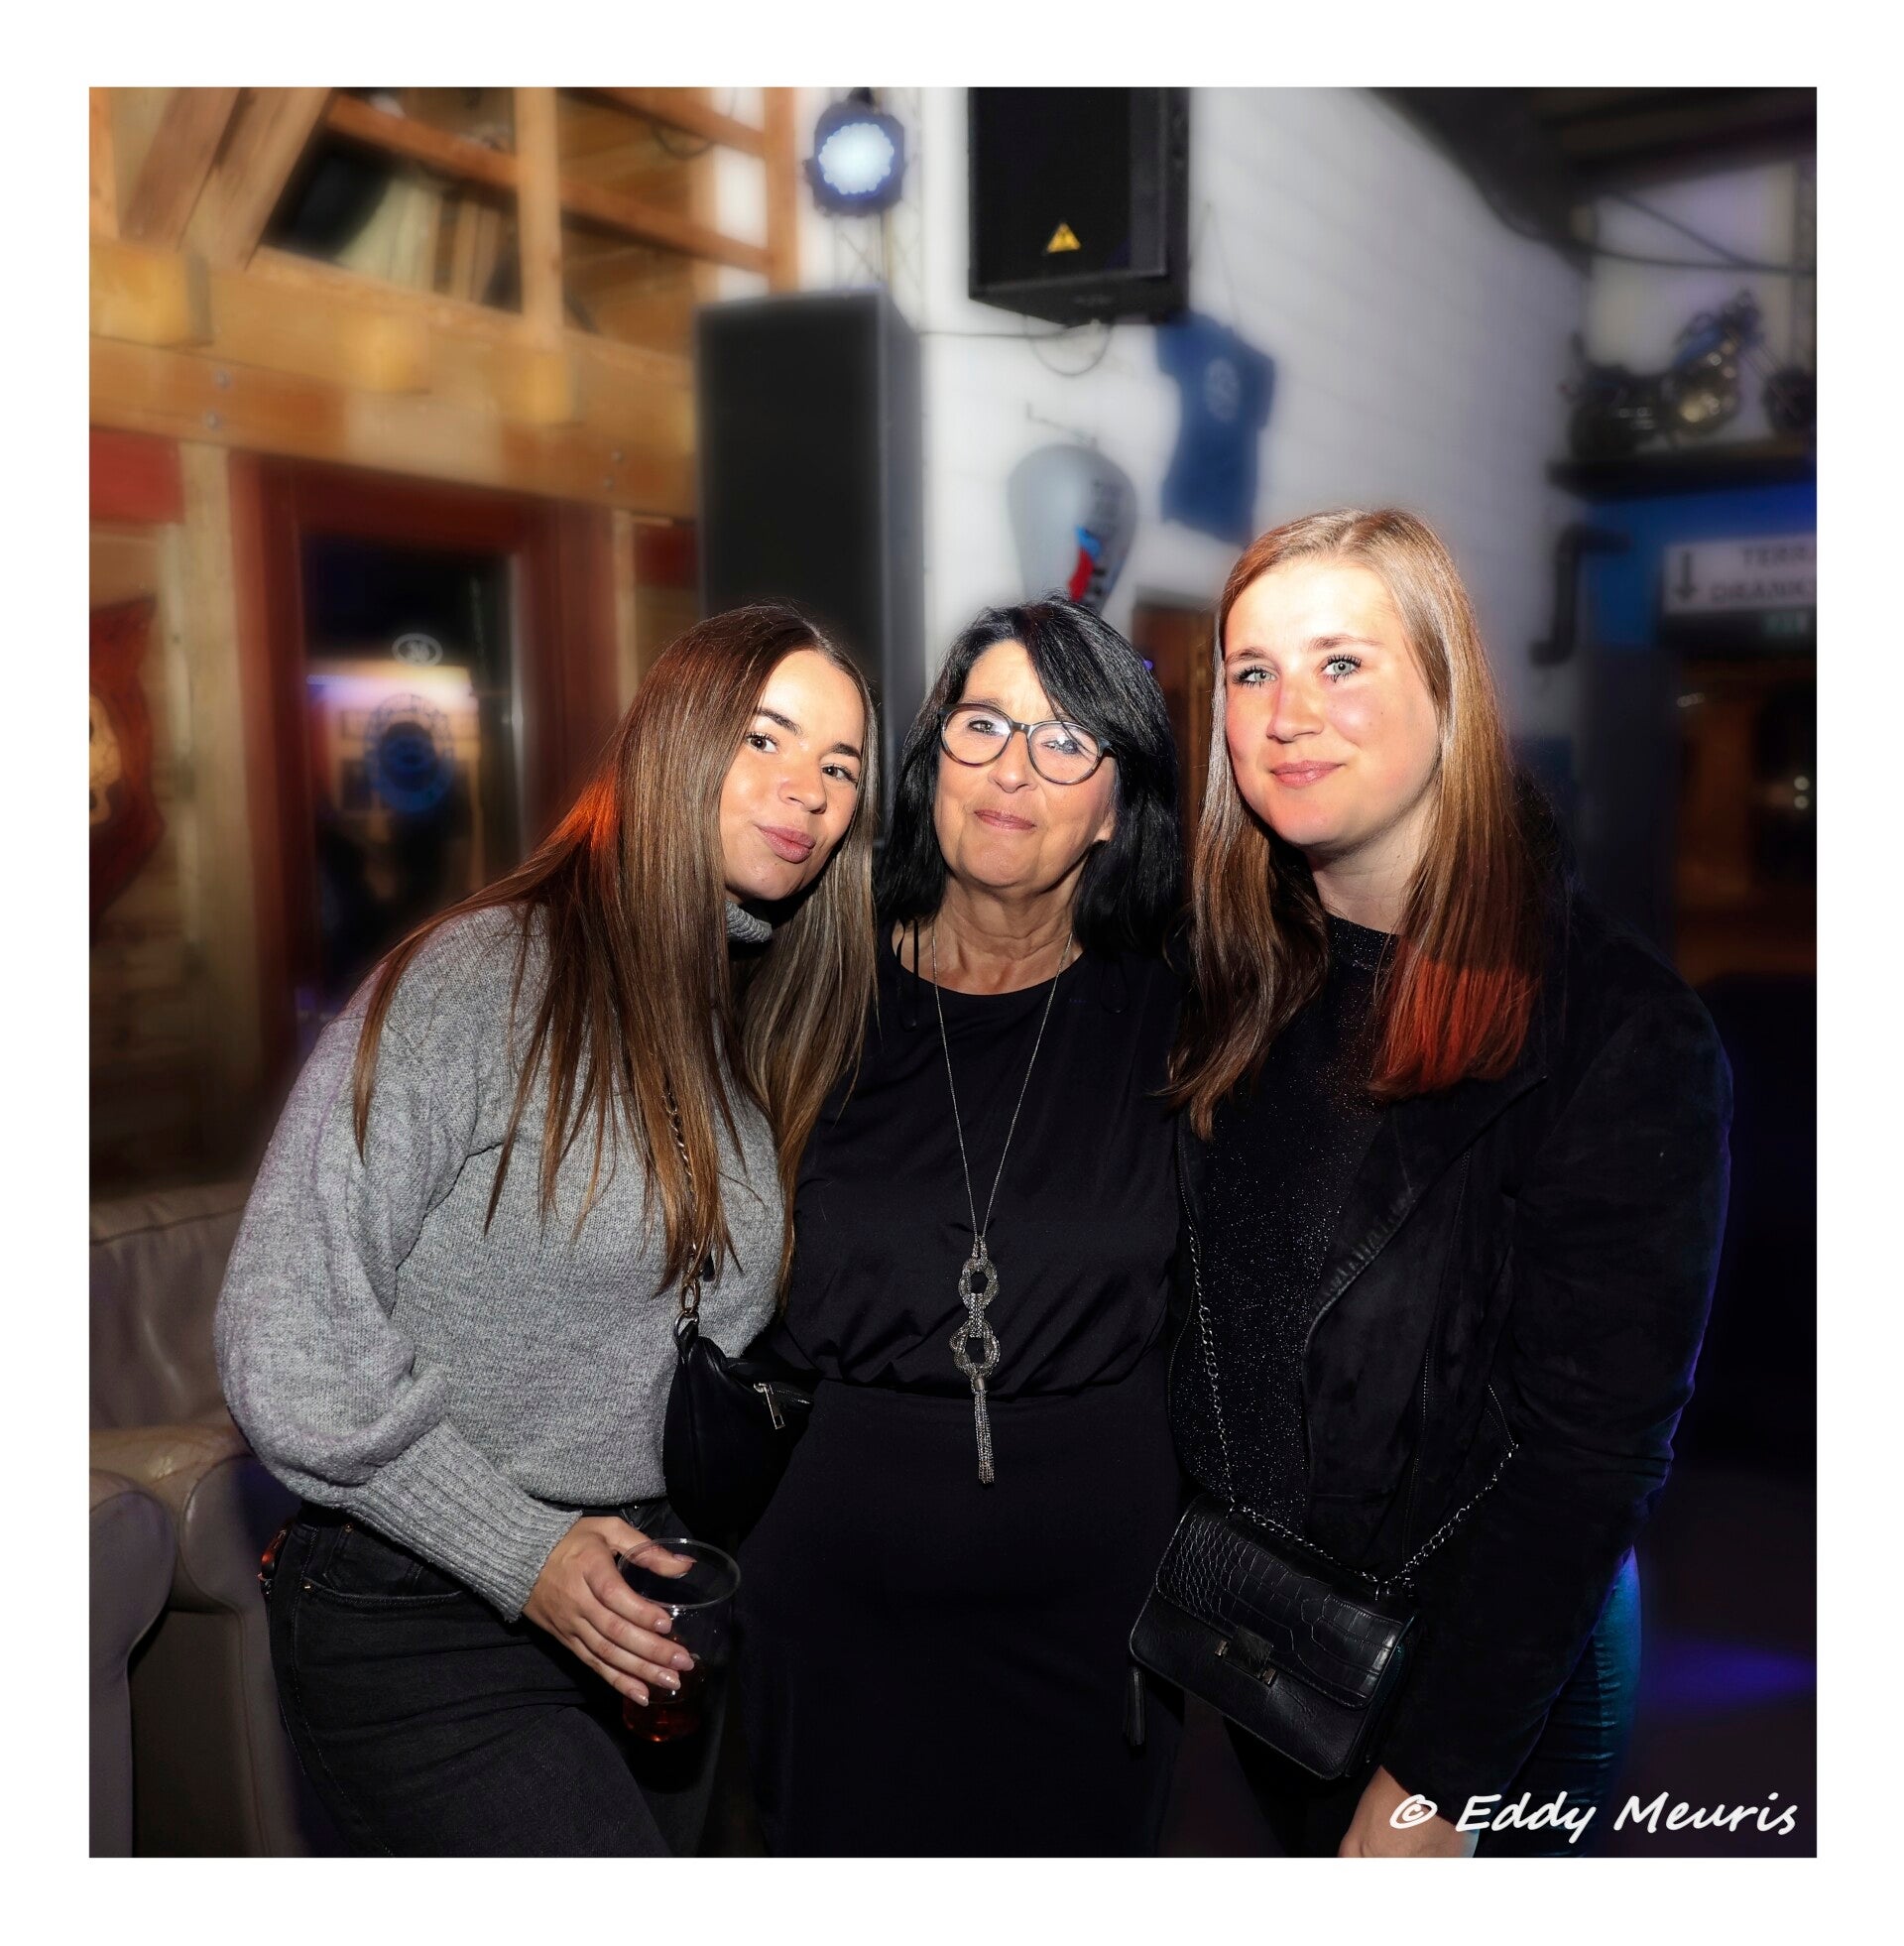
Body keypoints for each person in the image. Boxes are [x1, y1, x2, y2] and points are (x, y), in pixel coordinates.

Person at [214, 603, 877, 1857]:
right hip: (427, 1613)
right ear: (676, 741)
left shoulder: (743, 1022)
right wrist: (521, 1551)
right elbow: (284, 1338)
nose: (809, 790)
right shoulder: (484, 980)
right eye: (765, 738)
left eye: (842, 766)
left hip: (641, 1613)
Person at [1167, 509, 1731, 1857]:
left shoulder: (1618, 1033)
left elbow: (1588, 1463)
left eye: (1341, 662)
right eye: (1253, 671)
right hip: (1283, 1653)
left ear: (1448, 693)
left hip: (1485, 1693)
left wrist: (1437, 1780)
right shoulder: (1238, 977)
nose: (1289, 713)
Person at [738, 596, 1187, 1856]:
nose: (1012, 770)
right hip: (827, 1604)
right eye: (983, 724)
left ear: (1119, 804)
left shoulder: (1189, 1015)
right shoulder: (803, 982)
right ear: (930, 756)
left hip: (1091, 1618)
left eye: (1066, 740)